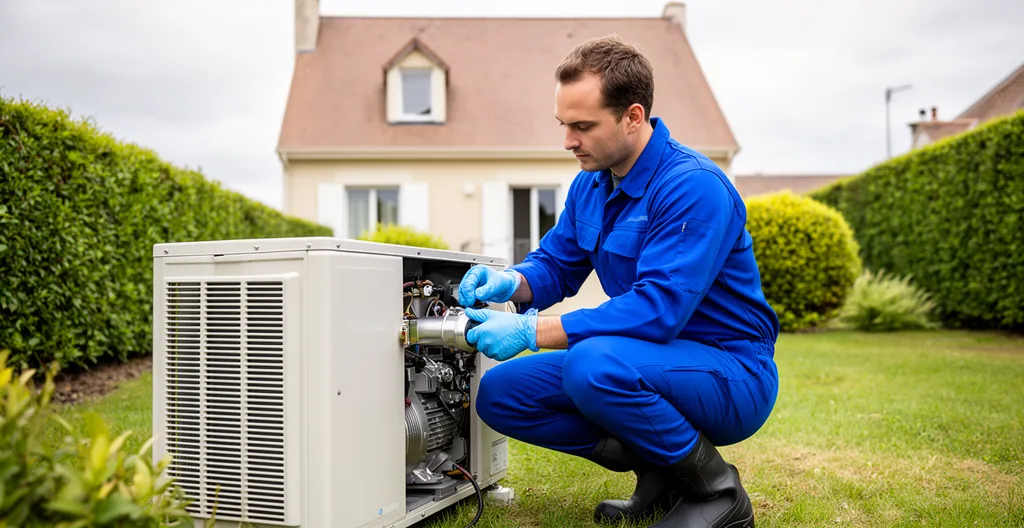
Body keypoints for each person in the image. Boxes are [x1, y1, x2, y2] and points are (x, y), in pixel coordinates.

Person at [460, 35, 779, 528]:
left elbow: (657, 310)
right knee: (501, 393)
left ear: (633, 116)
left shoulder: (692, 186)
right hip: (644, 360)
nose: (568, 141)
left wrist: (531, 331)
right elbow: (557, 265)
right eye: (564, 125)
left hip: (731, 371)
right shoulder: (590, 184)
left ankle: (717, 491)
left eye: (583, 126)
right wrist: (509, 281)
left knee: (592, 364)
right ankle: (661, 473)